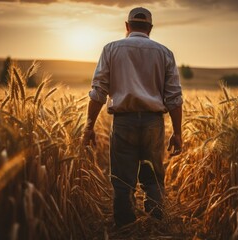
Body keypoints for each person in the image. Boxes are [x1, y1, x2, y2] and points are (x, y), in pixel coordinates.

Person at [82, 7, 183, 228]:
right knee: (154, 179)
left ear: (127, 26)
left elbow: (98, 91)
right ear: (150, 28)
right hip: (153, 123)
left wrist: (89, 127)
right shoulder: (164, 52)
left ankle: (125, 228)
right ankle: (156, 225)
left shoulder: (111, 49)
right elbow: (174, 97)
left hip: (123, 122)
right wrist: (177, 132)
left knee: (121, 180)